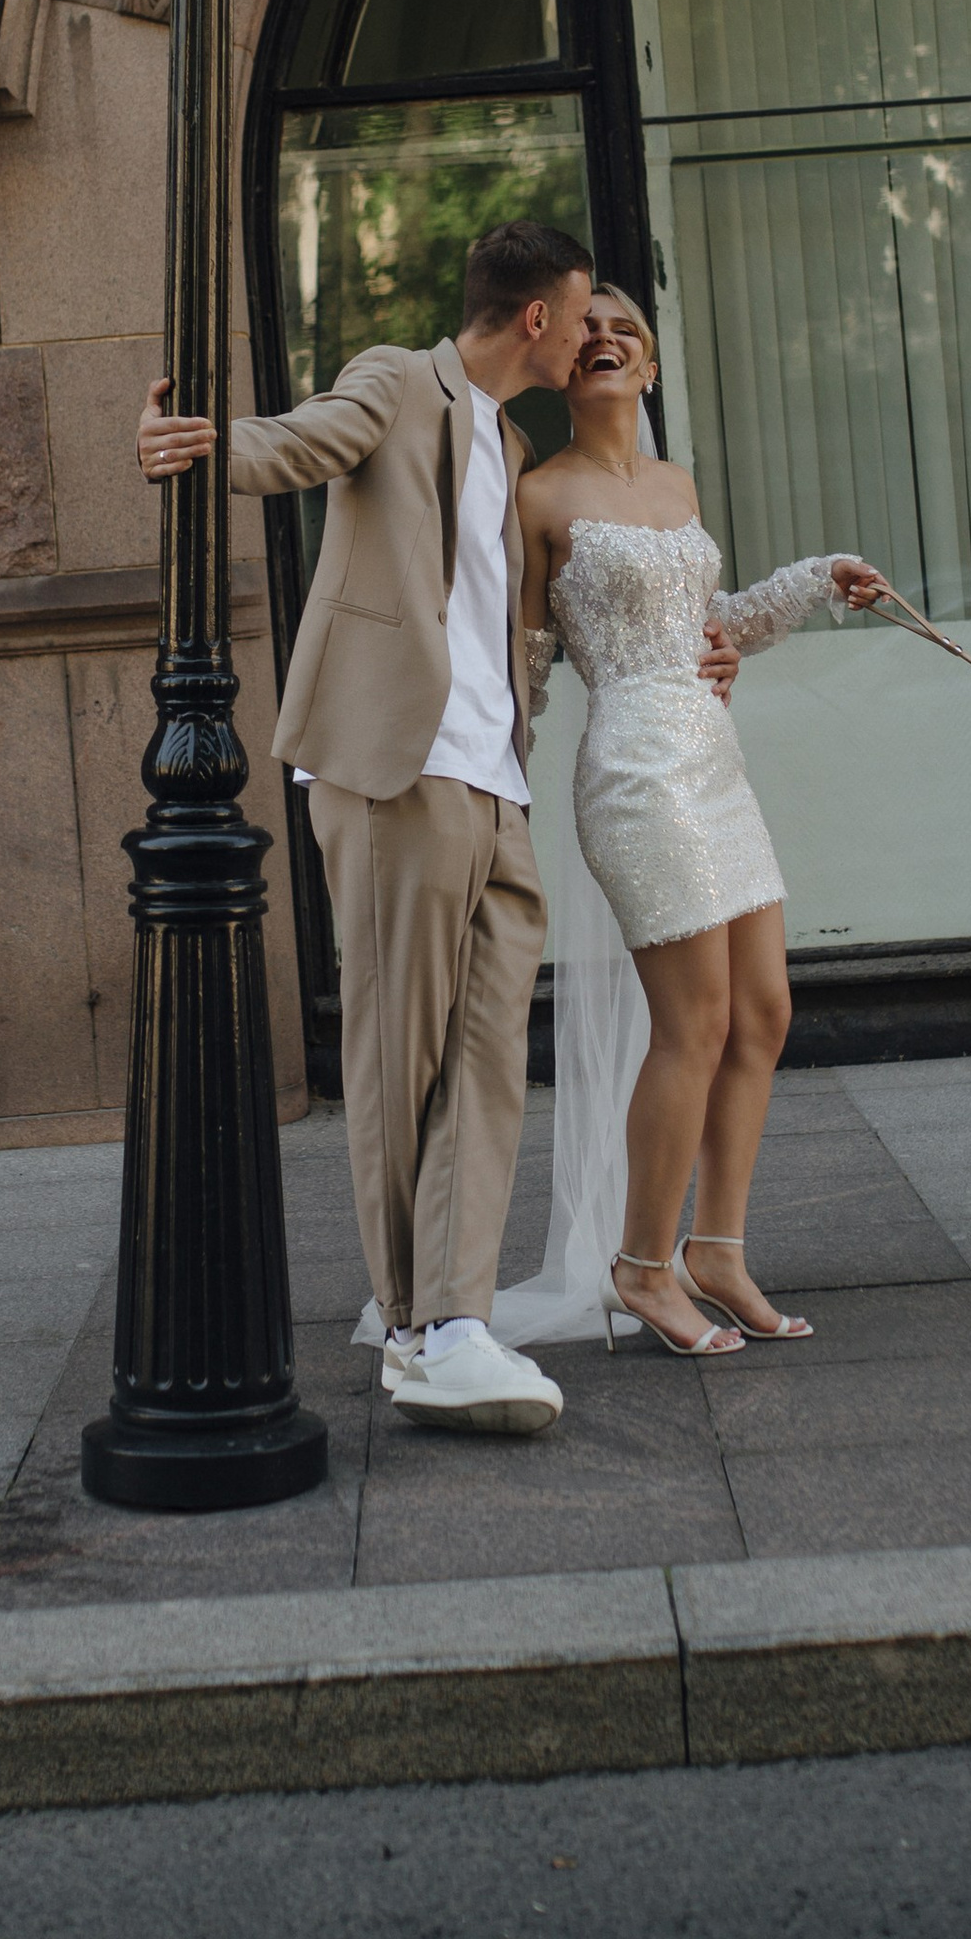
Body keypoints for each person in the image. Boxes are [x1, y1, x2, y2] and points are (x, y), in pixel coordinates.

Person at [136, 221, 735, 1436]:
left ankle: (455, 1320)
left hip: (491, 777)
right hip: (395, 764)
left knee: (483, 1059)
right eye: (580, 317)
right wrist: (200, 447)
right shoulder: (399, 380)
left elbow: (537, 608)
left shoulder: (509, 442)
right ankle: (416, 1320)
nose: (591, 335)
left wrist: (694, 646)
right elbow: (304, 440)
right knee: (396, 1049)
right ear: (535, 319)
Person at [517, 288, 887, 1358]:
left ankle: (714, 1247)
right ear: (560, 363)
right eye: (583, 328)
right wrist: (492, 779)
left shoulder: (676, 485)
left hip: (713, 763)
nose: (602, 338)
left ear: (652, 368)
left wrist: (822, 578)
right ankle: (641, 1264)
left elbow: (707, 628)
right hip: (634, 771)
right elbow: (526, 659)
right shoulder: (537, 496)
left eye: (622, 327)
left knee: (763, 1010)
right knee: (697, 1022)